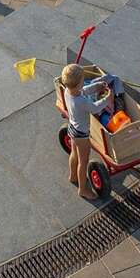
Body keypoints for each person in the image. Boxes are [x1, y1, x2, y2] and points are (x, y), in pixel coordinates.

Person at [60, 62, 111, 199]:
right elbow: (95, 108)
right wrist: (107, 99)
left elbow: (84, 90)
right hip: (82, 135)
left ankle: (73, 176)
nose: (83, 82)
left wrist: (97, 86)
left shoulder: (68, 91)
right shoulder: (80, 101)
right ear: (78, 84)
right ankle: (83, 189)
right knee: (84, 162)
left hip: (72, 127)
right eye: (82, 80)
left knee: (74, 154)